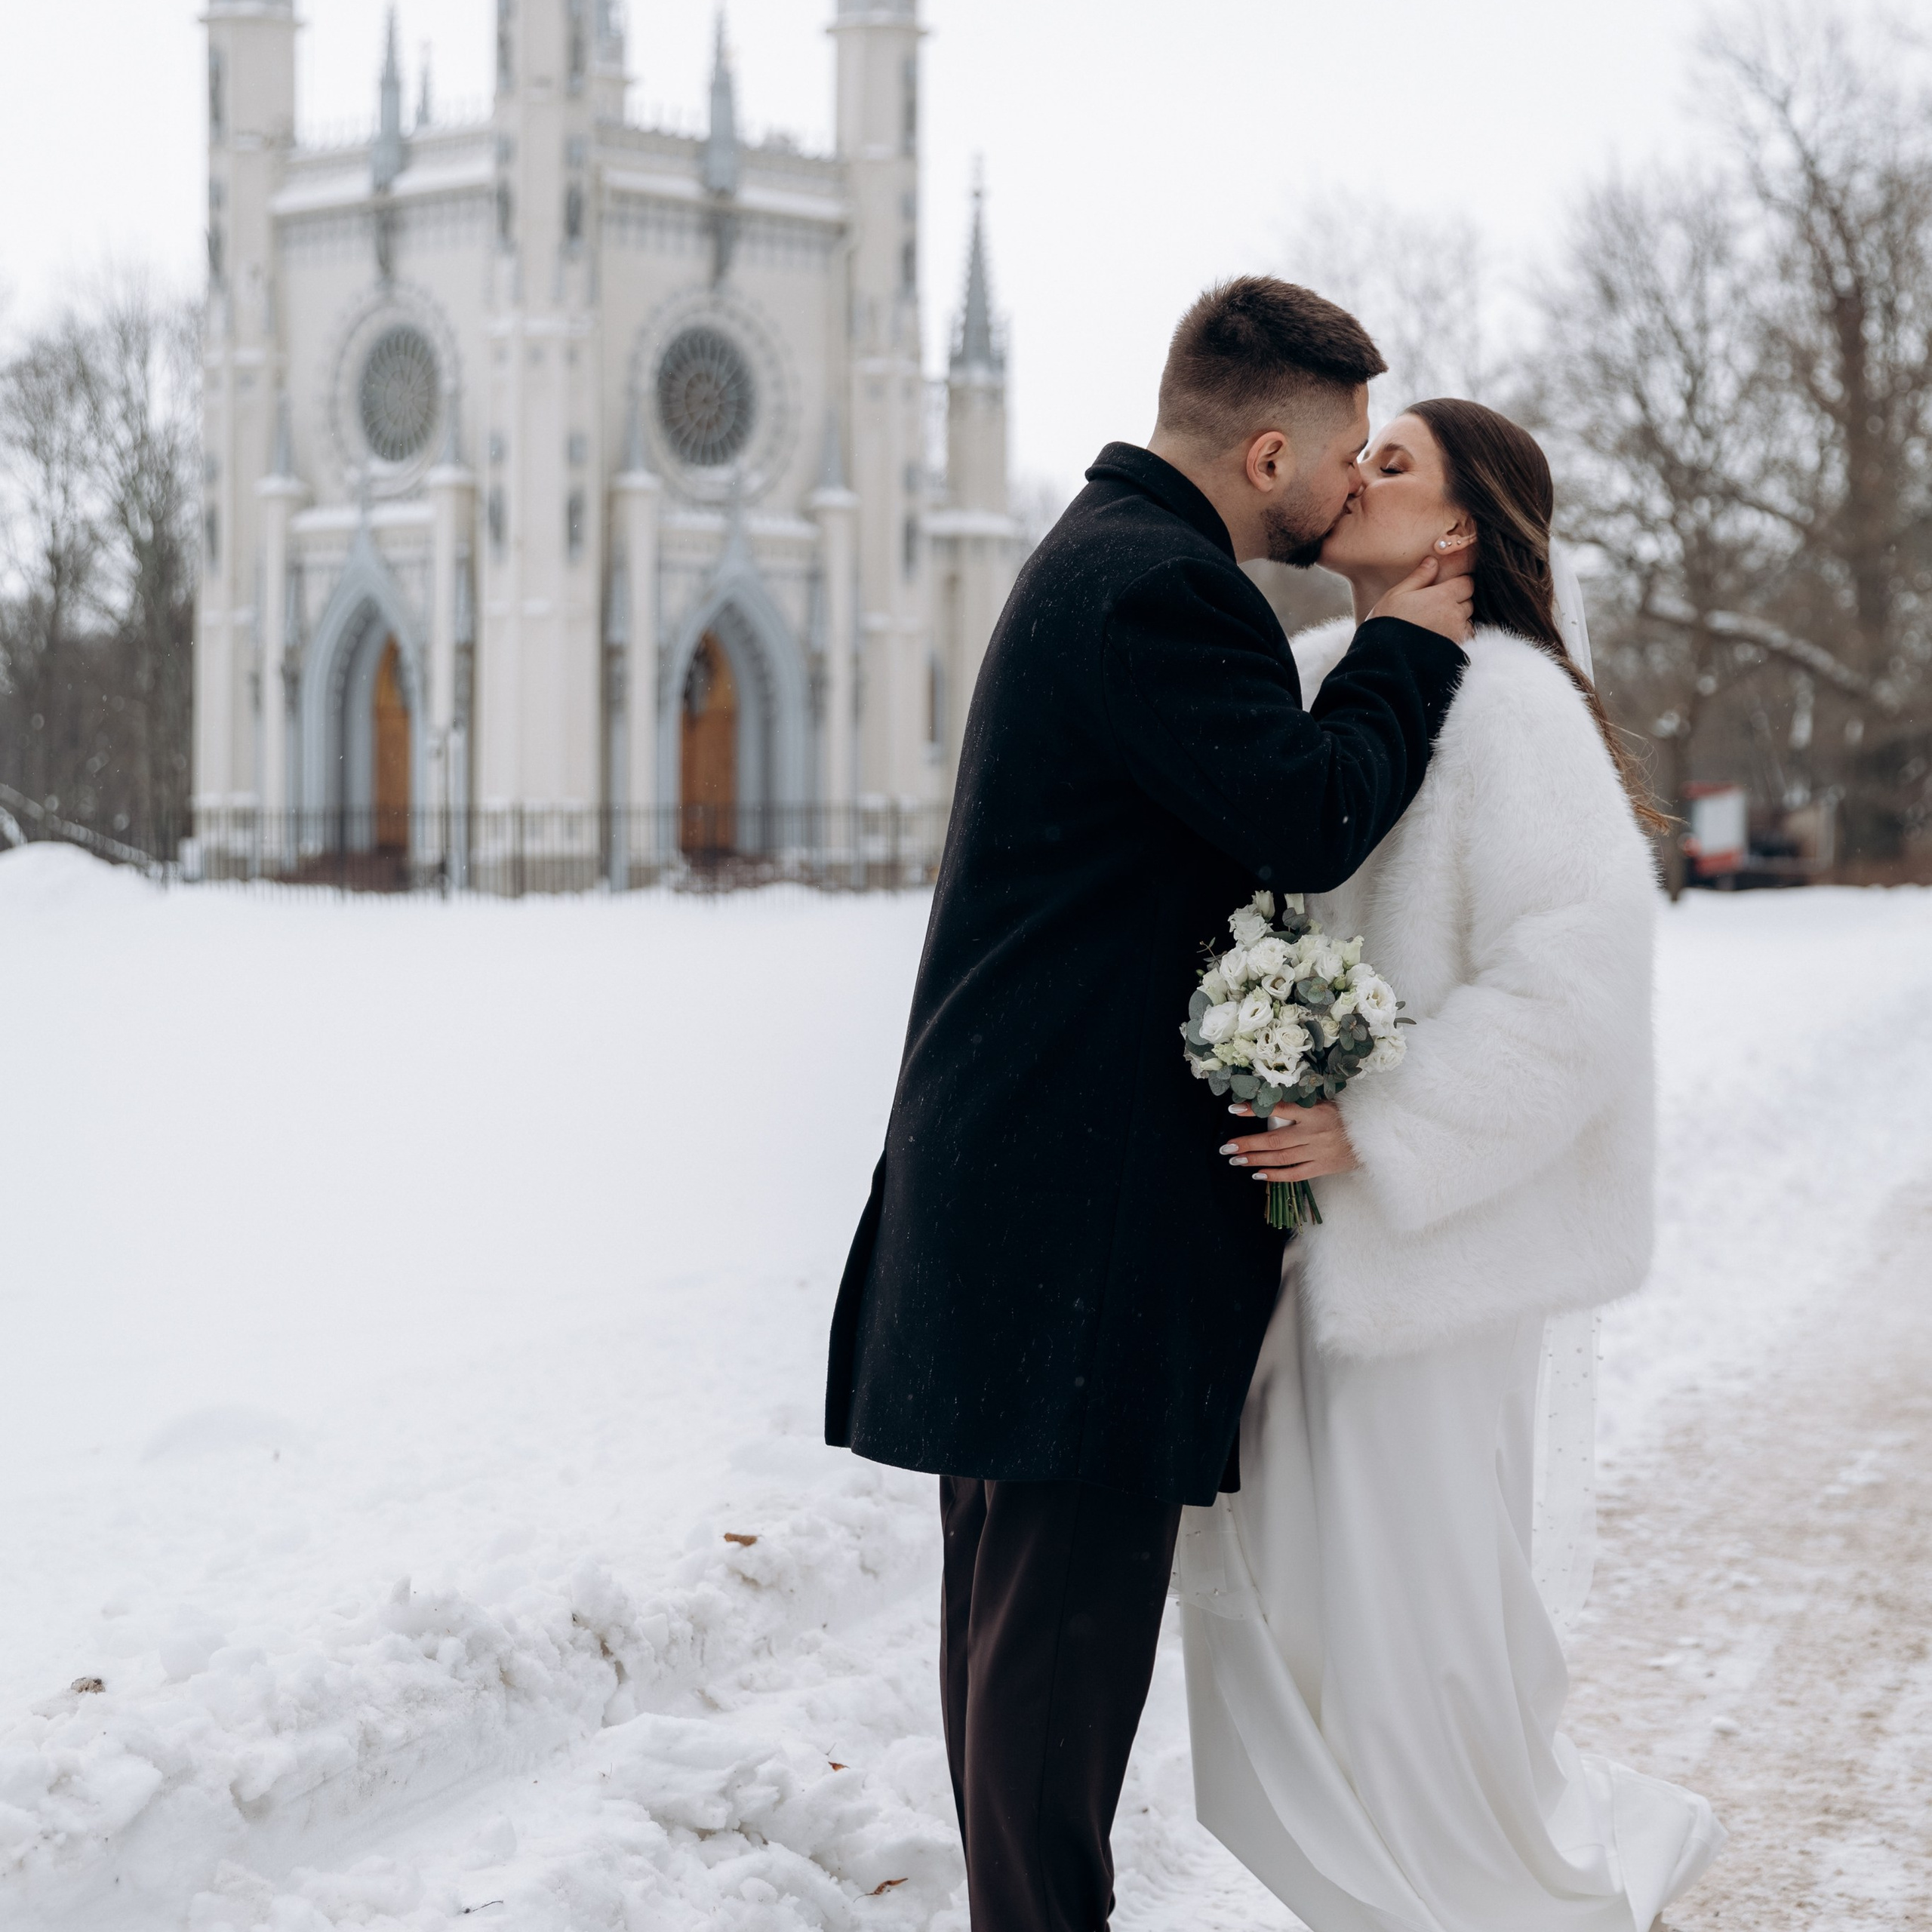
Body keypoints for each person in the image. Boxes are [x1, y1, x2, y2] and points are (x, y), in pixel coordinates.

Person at [823, 278, 1472, 1930]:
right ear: (1268, 452)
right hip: (1069, 1227)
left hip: (1025, 1203)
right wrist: (1407, 645)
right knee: (1045, 1693)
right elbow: (1312, 811)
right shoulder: (1159, 593)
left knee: (1014, 1670)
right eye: (1339, 460)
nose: (1348, 492)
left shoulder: (1103, 557)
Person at [1186, 398, 1725, 1931]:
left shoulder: (1509, 706)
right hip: (1291, 1253)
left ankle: (1492, 1900)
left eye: (1393, 461)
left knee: (1410, 1637)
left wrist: (1383, 1124)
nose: (1354, 472)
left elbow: (1574, 984)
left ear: (1459, 533)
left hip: (1430, 1257)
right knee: (1290, 1628)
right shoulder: (1310, 688)